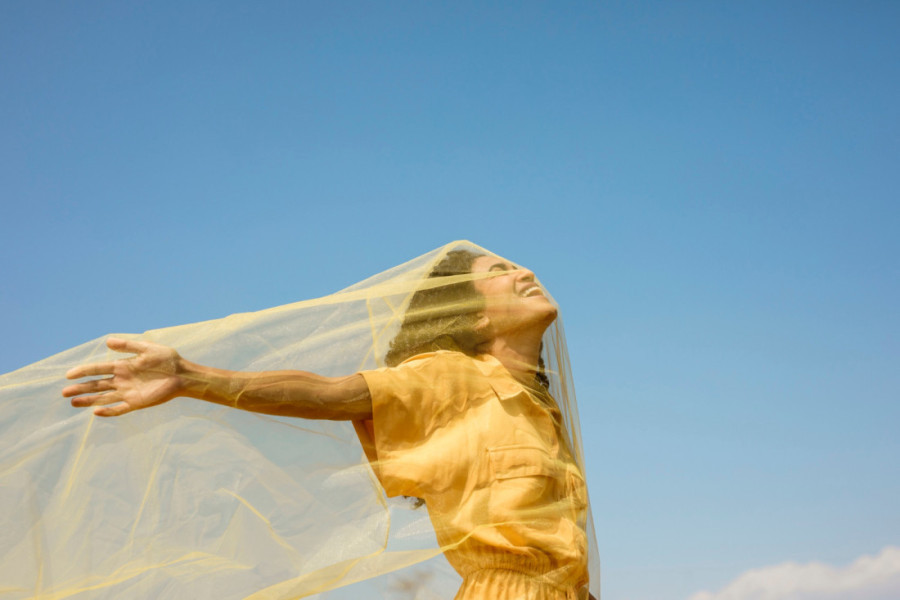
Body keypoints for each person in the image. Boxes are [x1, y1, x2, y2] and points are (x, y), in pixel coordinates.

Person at [62, 247, 596, 600]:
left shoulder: (542, 413)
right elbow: (329, 394)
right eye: (499, 273)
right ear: (474, 316)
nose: (525, 272)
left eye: (518, 266)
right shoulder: (448, 378)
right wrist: (191, 376)